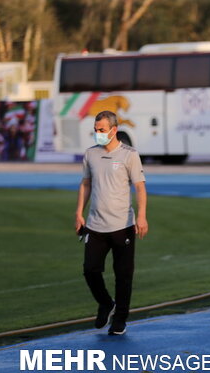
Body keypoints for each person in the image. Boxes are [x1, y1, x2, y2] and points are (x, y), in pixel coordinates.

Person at [74, 110, 148, 335]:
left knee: (123, 274)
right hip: (95, 225)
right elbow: (85, 184)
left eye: (102, 130)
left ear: (114, 130)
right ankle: (106, 303)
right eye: (96, 130)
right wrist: (79, 212)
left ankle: (120, 319)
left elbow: (140, 187)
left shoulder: (129, 154)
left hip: (123, 225)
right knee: (90, 270)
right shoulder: (90, 154)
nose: (98, 134)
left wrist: (142, 216)